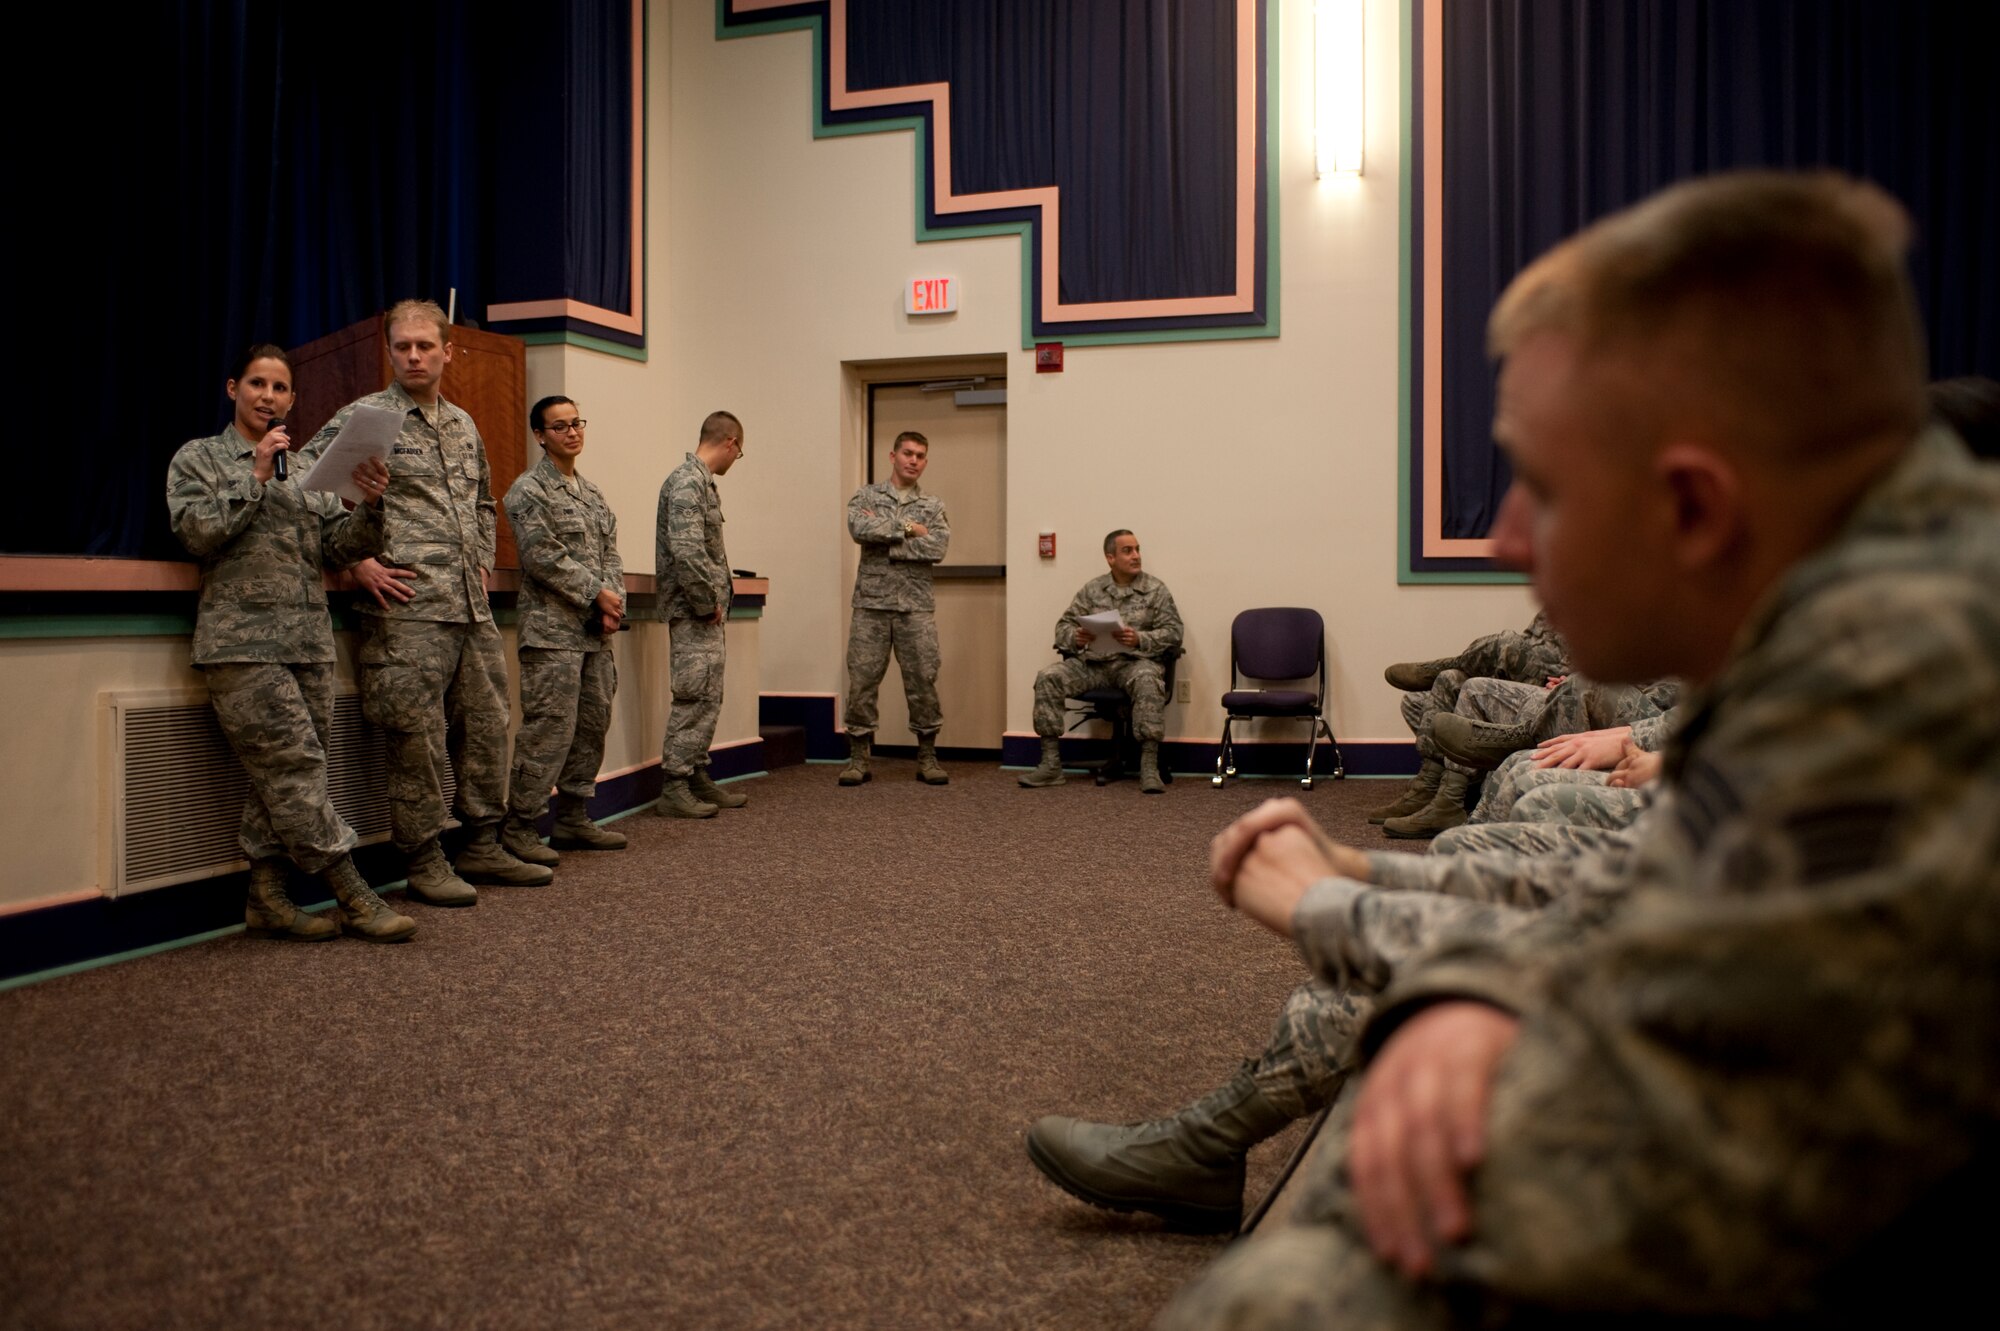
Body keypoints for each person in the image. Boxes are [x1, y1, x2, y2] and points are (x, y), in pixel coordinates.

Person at [1155, 172, 1999, 1327]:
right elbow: (1638, 906)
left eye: (1539, 486)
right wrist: (1447, 968)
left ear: (1694, 508)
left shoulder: (1907, 682)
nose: (1502, 534)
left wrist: (1346, 923)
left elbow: (1576, 1197)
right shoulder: (1846, 608)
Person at [306, 299, 550, 906]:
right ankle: (422, 856)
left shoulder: (464, 424)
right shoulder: (365, 419)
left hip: (469, 609)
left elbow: (484, 504)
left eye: (424, 345)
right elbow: (304, 493)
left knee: (488, 728)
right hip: (405, 613)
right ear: (388, 352)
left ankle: (483, 842)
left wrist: (482, 562)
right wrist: (353, 560)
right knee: (416, 740)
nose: (413, 356)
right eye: (401, 347)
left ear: (447, 351)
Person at [167, 345, 415, 943]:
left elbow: (338, 548)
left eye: (279, 388)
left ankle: (267, 899)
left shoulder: (307, 468)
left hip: (309, 643)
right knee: (295, 769)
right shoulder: (199, 458)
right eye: (257, 384)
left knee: (282, 778)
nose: (268, 397)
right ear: (233, 388)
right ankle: (353, 894)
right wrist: (252, 476)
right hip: (242, 646)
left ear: (292, 400)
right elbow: (196, 533)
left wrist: (373, 505)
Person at [499, 397, 628, 862]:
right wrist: (598, 593)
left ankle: (573, 818)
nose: (572, 432)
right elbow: (542, 557)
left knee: (592, 725)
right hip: (552, 634)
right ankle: (519, 826)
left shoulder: (592, 494)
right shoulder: (528, 491)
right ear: (540, 435)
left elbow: (611, 552)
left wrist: (614, 601)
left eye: (576, 423)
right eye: (559, 426)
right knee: (549, 731)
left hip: (596, 633)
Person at [1018, 530, 1184, 794]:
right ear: (1110, 558)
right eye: (1128, 551)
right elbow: (1063, 628)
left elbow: (1174, 633)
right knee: (1048, 677)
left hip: (1134, 664)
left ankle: (1149, 768)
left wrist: (1139, 638)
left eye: (1137, 549)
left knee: (1148, 680)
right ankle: (1050, 765)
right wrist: (1077, 636)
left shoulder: (1155, 590)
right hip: (1094, 665)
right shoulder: (1092, 590)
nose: (1136, 556)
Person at [839, 430, 952, 786]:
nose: (913, 460)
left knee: (923, 681)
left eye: (920, 455)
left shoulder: (933, 506)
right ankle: (858, 756)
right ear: (893, 456)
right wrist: (906, 528)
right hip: (871, 606)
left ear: (925, 461)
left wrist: (887, 541)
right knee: (862, 682)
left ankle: (927, 754)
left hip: (915, 608)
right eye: (907, 453)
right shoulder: (867, 495)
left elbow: (937, 548)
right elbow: (858, 526)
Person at [655, 410, 747, 819]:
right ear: (730, 443)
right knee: (693, 696)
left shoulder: (703, 484)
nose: (735, 460)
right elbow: (687, 550)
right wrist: (705, 602)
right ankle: (675, 784)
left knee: (709, 695)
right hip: (694, 612)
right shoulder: (688, 482)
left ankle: (695, 773)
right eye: (739, 452)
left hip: (705, 612)